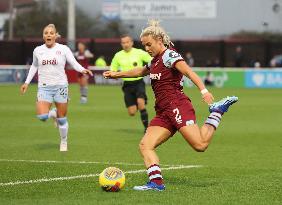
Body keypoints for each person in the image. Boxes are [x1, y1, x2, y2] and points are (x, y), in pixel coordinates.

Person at [103, 20, 238, 191]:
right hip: (163, 112)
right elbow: (140, 71)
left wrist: (204, 91)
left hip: (177, 106)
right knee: (145, 145)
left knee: (200, 145)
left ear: (160, 41)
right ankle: (156, 183)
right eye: (144, 46)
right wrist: (116, 74)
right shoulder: (154, 61)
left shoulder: (169, 55)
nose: (146, 49)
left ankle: (217, 111)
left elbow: (188, 71)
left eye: (149, 45)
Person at [20, 24, 93, 152]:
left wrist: (83, 70)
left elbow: (73, 62)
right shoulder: (38, 50)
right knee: (42, 116)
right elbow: (34, 66)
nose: (48, 35)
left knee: (62, 118)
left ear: (55, 35)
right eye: (46, 33)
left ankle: (63, 141)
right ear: (43, 36)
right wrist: (26, 82)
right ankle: (52, 113)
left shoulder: (63, 49)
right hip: (44, 87)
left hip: (61, 86)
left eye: (51, 33)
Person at [110, 34, 152, 132]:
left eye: (127, 42)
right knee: (132, 112)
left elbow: (152, 60)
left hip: (138, 83)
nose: (126, 44)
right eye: (123, 42)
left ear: (132, 43)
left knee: (141, 103)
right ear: (121, 44)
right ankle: (138, 102)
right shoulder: (118, 55)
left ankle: (147, 129)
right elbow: (113, 69)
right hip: (127, 85)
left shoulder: (139, 53)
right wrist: (113, 74)